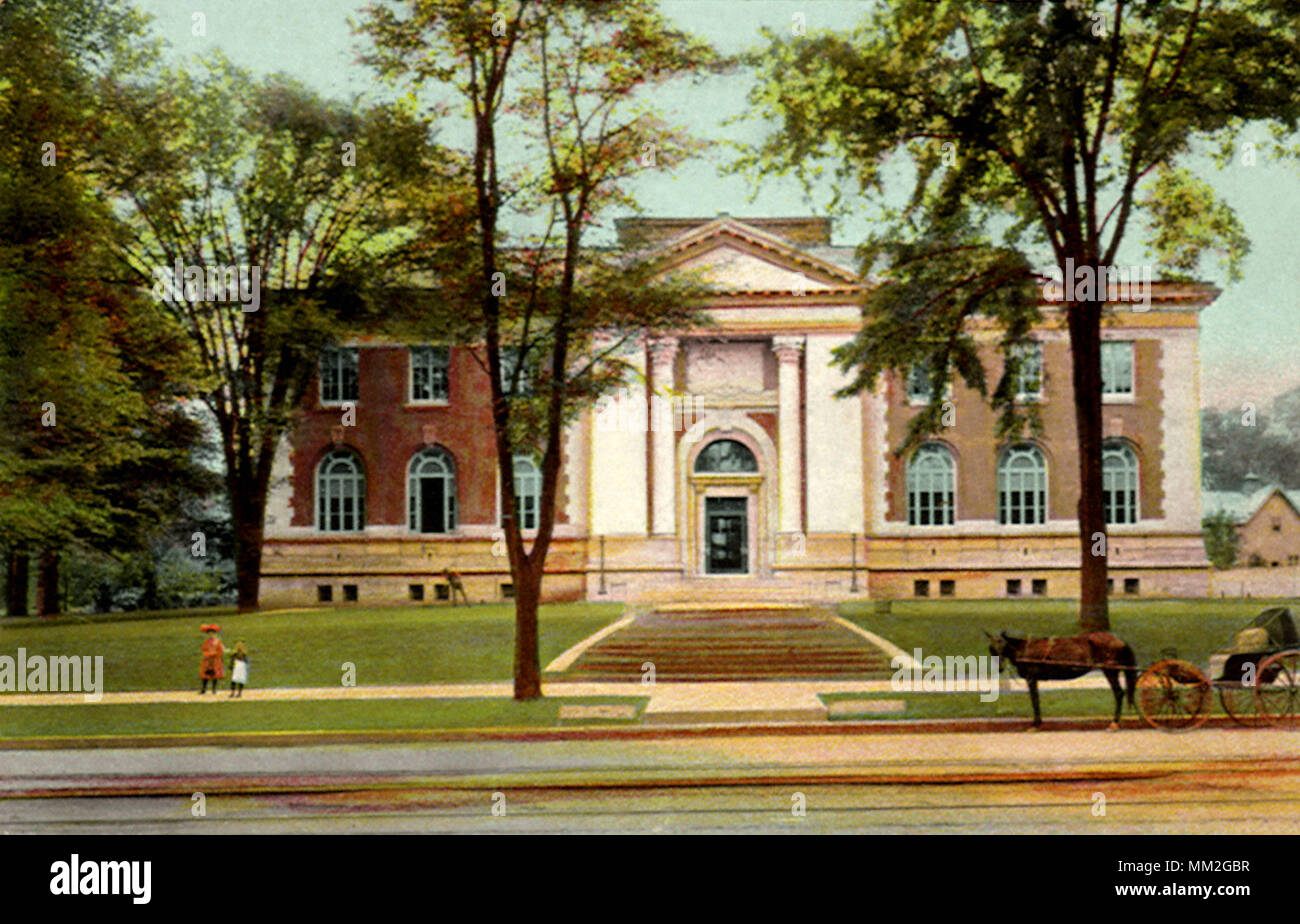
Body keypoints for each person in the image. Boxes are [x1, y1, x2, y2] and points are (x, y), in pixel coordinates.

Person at [198, 625, 225, 694]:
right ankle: (204, 689)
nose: (211, 635)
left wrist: (213, 654)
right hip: (207, 661)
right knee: (205, 675)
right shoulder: (206, 642)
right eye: (209, 633)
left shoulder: (218, 642)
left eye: (212, 633)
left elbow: (221, 651)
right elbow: (204, 650)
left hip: (215, 661)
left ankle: (214, 689)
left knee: (215, 675)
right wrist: (207, 654)